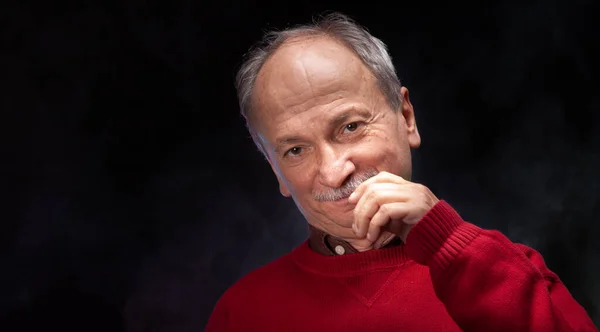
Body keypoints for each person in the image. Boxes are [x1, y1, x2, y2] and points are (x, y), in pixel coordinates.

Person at [205, 12, 597, 332]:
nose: (333, 172)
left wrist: (449, 244)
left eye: (350, 127)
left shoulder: (506, 271)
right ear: (275, 171)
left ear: (406, 117)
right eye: (294, 150)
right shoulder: (241, 313)